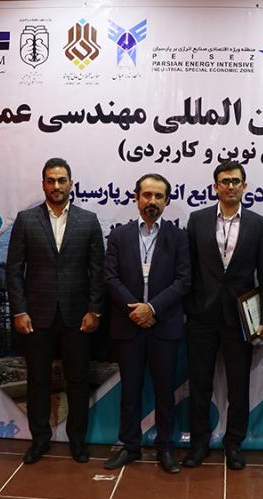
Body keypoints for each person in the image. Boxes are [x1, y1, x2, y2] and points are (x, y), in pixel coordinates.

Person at [5, 157, 104, 464]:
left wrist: (95, 310)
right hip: (36, 316)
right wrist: (19, 311)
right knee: (38, 380)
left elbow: (97, 271)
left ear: (71, 183)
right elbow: (13, 269)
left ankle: (78, 440)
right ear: (43, 184)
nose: (56, 186)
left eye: (62, 180)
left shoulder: (89, 220)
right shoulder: (26, 220)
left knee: (78, 380)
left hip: (77, 315)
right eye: (51, 180)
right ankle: (39, 439)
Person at [183, 161, 263, 470]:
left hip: (241, 320)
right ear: (215, 187)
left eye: (236, 181)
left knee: (238, 387)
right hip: (201, 317)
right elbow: (188, 269)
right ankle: (198, 444)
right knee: (199, 385)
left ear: (244, 186)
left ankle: (234, 443)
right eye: (224, 181)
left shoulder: (258, 224)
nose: (230, 186)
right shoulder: (196, 220)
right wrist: (188, 309)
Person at [103, 173, 191, 474]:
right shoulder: (118, 235)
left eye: (158, 196)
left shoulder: (179, 237)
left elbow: (184, 280)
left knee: (165, 391)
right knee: (130, 390)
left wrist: (152, 308)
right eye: (146, 195)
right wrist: (135, 309)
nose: (152, 201)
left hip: (163, 325)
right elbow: (110, 277)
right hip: (128, 325)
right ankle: (130, 446)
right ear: (136, 198)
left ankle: (165, 447)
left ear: (167, 201)